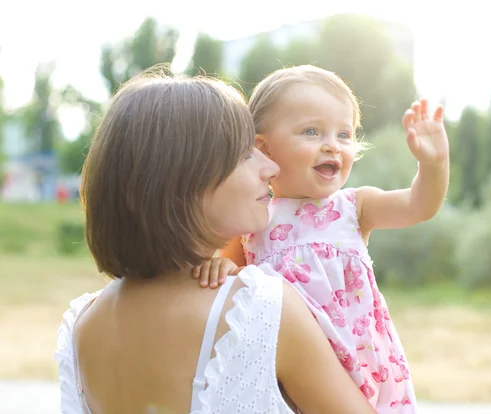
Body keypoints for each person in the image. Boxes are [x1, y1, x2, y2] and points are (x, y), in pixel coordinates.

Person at [54, 68, 376, 414]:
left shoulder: (82, 325)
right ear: (183, 178)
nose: (271, 168)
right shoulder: (258, 308)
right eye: (245, 154)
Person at [199, 65, 450, 413]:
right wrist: (219, 267)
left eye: (344, 135)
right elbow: (229, 273)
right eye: (312, 132)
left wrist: (433, 165)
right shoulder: (252, 220)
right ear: (264, 147)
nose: (332, 146)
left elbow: (418, 205)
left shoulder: (354, 207)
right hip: (289, 376)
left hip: (363, 374)